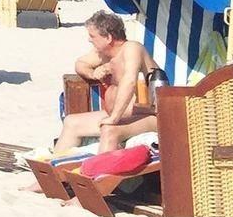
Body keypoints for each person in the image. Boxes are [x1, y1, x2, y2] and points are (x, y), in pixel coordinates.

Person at [52, 11, 160, 153]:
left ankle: (99, 168)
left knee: (109, 129)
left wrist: (114, 118)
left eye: (92, 36)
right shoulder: (105, 54)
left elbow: (129, 82)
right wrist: (92, 73)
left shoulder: (132, 48)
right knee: (71, 122)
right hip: (120, 115)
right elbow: (80, 64)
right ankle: (57, 165)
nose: (89, 40)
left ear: (108, 37)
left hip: (153, 115)